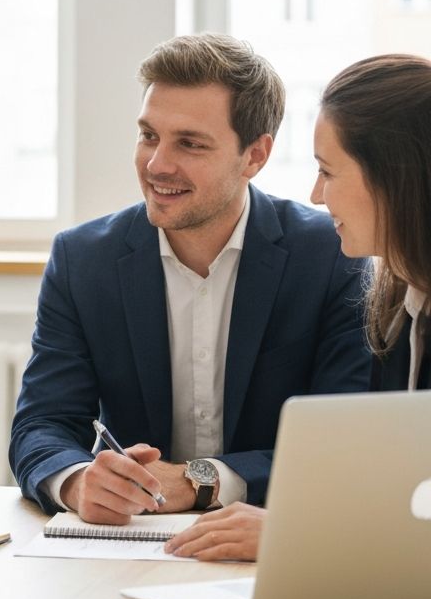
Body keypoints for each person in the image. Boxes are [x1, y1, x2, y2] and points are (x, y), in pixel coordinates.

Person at [9, 33, 369, 523]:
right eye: (149, 135)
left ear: (255, 156)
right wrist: (75, 480)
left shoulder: (330, 256)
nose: (157, 165)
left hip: (271, 538)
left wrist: (205, 480)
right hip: (130, 540)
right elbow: (42, 423)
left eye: (190, 143)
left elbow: (344, 439)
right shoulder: (83, 259)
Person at [166, 53, 431, 561]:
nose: (315, 194)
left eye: (328, 172)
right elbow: (387, 485)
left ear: (396, 179)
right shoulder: (400, 304)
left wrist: (301, 536)